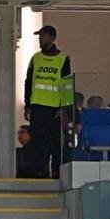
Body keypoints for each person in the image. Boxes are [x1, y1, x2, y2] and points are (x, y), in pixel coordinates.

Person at [23, 25, 73, 178]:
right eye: (39, 36)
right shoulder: (35, 58)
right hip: (37, 108)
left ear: (52, 38)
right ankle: (39, 173)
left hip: (54, 109)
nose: (39, 38)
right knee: (38, 144)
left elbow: (67, 85)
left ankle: (57, 173)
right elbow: (28, 82)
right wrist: (27, 105)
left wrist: (64, 108)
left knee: (55, 144)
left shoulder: (63, 59)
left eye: (42, 36)